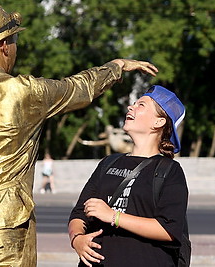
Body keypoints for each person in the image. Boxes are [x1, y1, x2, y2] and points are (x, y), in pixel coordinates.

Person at [0, 4, 158, 267]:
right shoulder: (22, 92)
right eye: (15, 41)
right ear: (5, 45)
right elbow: (78, 88)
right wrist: (116, 66)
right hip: (3, 234)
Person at [68, 85, 188, 266]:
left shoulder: (170, 170)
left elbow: (168, 229)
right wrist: (77, 239)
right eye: (133, 103)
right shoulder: (108, 163)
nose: (131, 107)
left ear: (159, 122)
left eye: (141, 105)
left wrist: (114, 216)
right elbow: (79, 213)